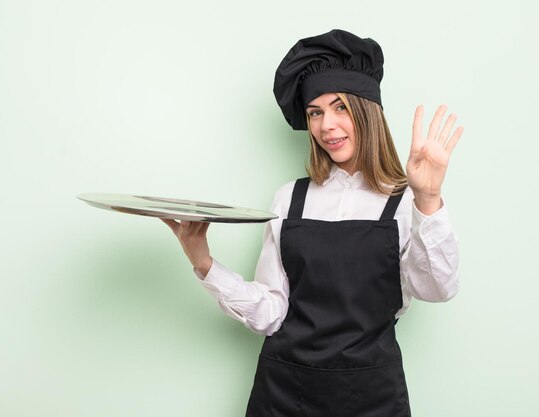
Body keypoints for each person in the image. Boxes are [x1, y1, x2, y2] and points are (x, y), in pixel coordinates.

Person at [163, 29, 463, 417]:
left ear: (367, 110)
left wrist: (428, 197)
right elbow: (271, 312)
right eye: (315, 112)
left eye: (340, 107)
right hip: (285, 392)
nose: (326, 126)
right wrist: (203, 261)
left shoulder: (407, 202)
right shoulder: (291, 198)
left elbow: (438, 289)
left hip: (372, 395)